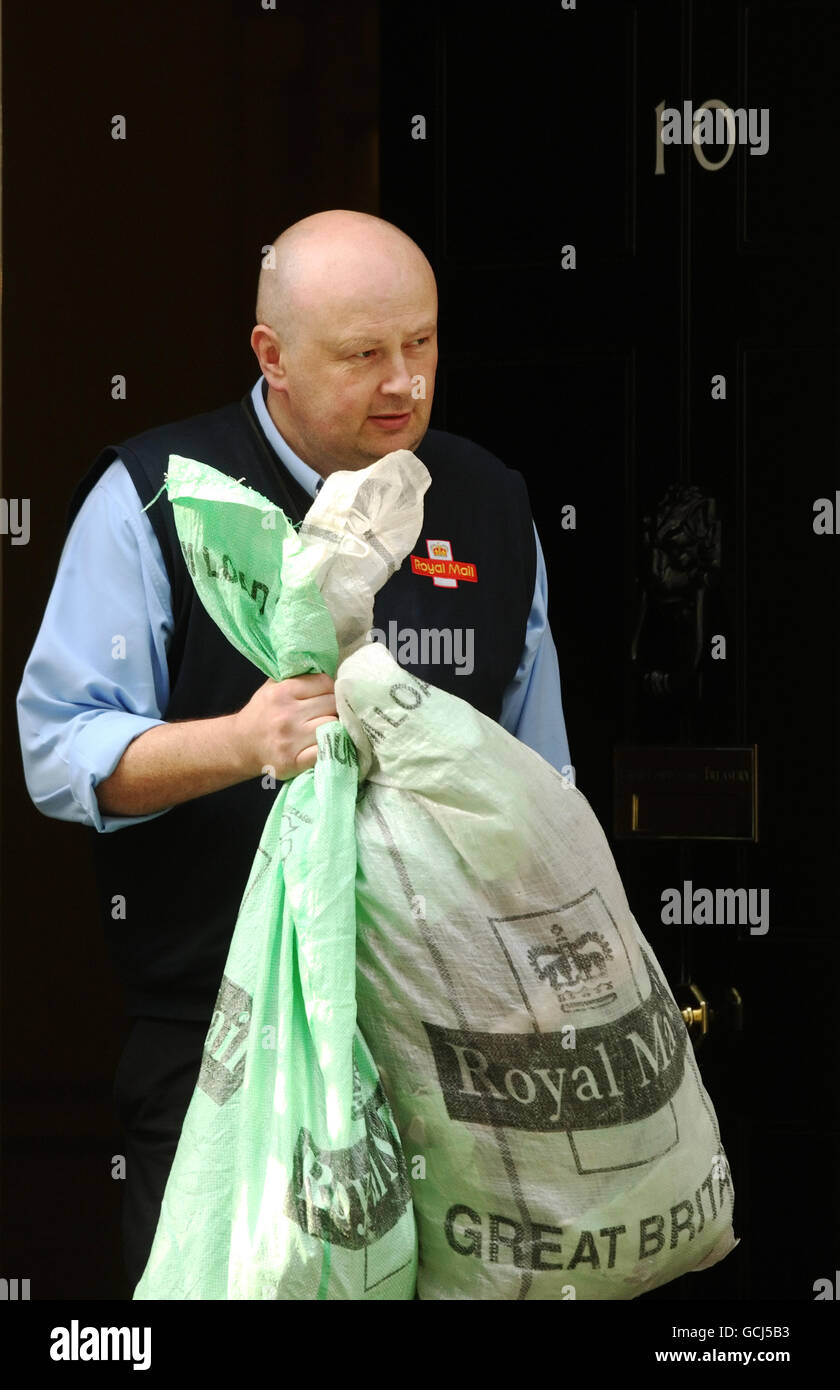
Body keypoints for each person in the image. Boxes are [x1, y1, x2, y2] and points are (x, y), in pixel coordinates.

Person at [17, 209, 571, 1293]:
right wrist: (240, 740)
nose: (404, 381)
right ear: (270, 355)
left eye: (422, 343)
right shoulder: (155, 494)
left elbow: (541, 785)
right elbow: (59, 748)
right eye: (365, 354)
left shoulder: (491, 503)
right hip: (222, 1048)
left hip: (450, 1053)